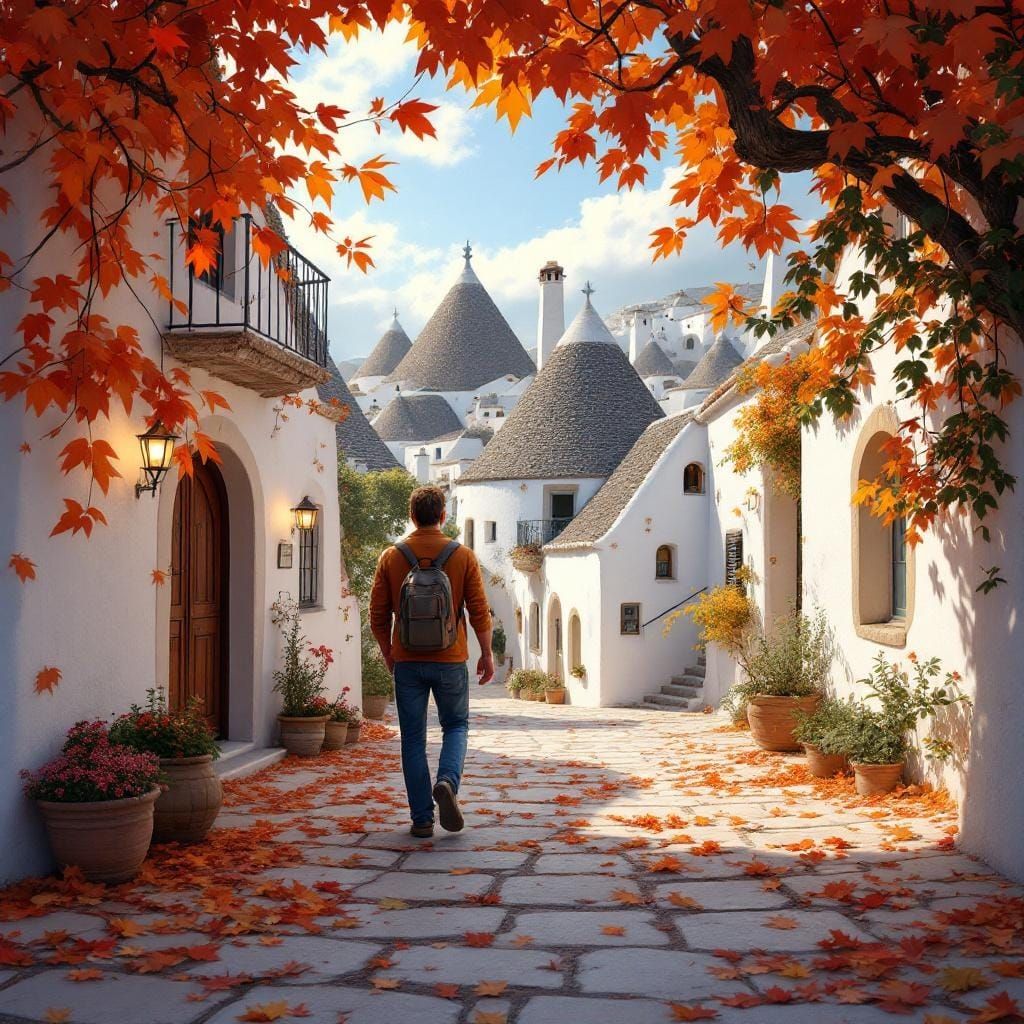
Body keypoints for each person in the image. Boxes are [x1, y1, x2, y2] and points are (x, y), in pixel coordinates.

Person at [369, 485, 493, 837]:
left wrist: (388, 653)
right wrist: (486, 653)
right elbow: (478, 611)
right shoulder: (462, 555)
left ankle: (421, 819)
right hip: (451, 659)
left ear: (412, 516)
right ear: (443, 516)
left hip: (407, 660)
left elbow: (377, 615)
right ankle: (448, 784)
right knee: (455, 726)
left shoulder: (391, 556)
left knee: (412, 739)